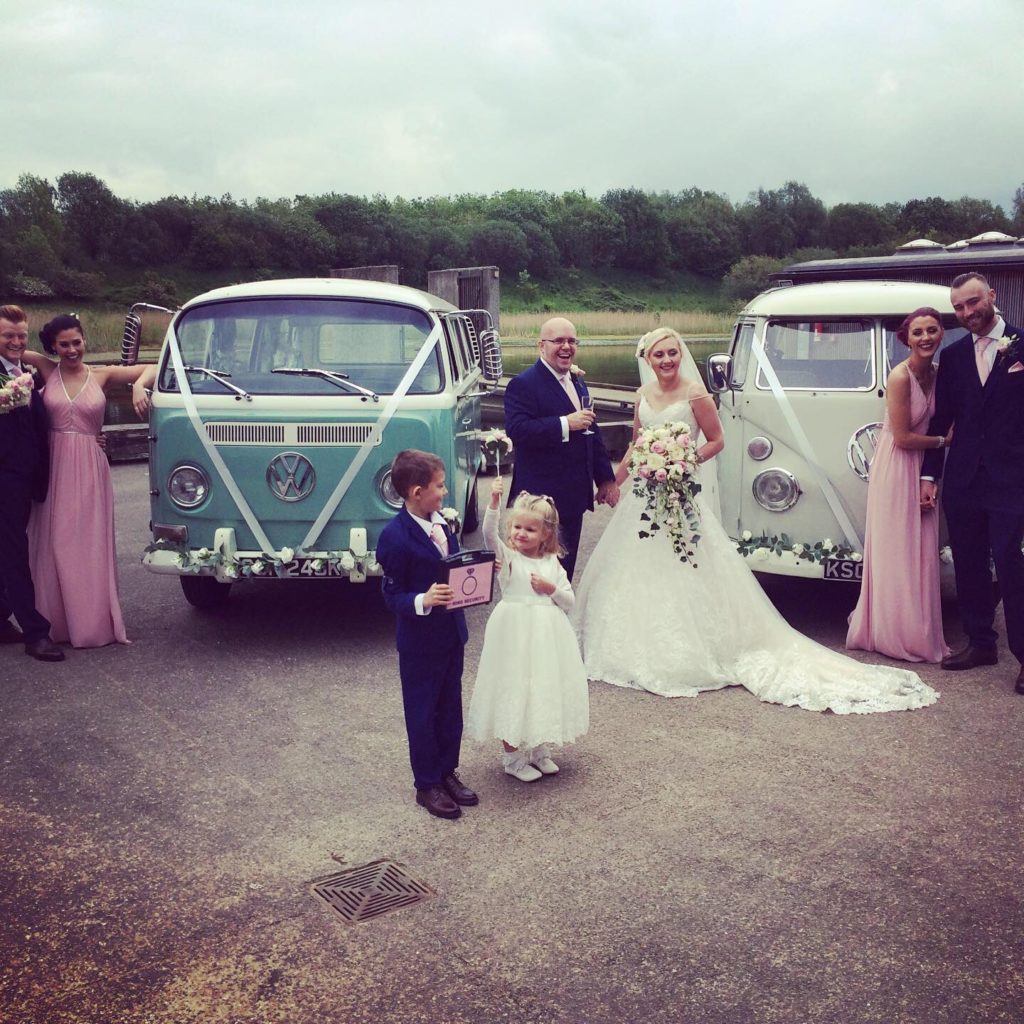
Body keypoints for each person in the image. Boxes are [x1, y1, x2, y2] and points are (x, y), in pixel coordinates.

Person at [573, 328, 939, 714]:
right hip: (647, 496)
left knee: (685, 561)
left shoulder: (696, 394)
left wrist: (683, 462)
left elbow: (716, 440)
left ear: (680, 355)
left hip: (680, 490)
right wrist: (613, 482)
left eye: (672, 353)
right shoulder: (643, 395)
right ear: (648, 360)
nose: (667, 361)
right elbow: (637, 442)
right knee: (636, 564)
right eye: (659, 355)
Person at [21, 315, 153, 648]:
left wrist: (138, 386)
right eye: (63, 344)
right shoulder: (46, 369)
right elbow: (10, 345)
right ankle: (56, 623)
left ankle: (90, 624)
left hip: (91, 466)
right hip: (53, 465)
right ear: (53, 345)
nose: (71, 350)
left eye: (76, 342)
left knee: (87, 543)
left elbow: (153, 365)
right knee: (55, 543)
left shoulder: (102, 374)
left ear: (84, 341)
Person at [921, 273, 1024, 695]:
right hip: (964, 479)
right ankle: (981, 643)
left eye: (972, 303)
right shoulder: (956, 355)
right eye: (959, 307)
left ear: (992, 297)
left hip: (1013, 479)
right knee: (968, 562)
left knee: (1012, 563)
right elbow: (940, 417)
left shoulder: (1021, 344)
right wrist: (931, 474)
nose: (966, 313)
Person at [376, 449, 478, 820]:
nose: (446, 492)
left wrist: (479, 568)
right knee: (422, 713)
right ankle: (426, 784)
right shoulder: (395, 537)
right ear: (417, 491)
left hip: (452, 634)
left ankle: (447, 771)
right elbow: (391, 595)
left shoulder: (443, 523)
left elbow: (453, 565)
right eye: (440, 486)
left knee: (450, 710)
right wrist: (423, 599)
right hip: (419, 643)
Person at [467, 480, 589, 782]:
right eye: (517, 527)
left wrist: (551, 590)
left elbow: (569, 600)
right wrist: (494, 501)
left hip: (547, 637)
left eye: (530, 530)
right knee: (514, 685)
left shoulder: (552, 563)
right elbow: (488, 535)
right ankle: (512, 757)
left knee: (541, 686)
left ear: (546, 533)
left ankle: (538, 749)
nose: (521, 533)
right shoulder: (508, 559)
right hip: (514, 634)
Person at [846, 308, 950, 663]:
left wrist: (931, 469)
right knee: (897, 548)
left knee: (919, 548)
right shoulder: (900, 377)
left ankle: (915, 628)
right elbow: (904, 437)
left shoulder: (936, 373)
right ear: (906, 337)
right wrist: (942, 442)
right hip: (898, 465)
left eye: (932, 330)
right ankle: (890, 631)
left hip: (921, 467)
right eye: (918, 332)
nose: (925, 338)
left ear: (942, 334)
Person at [503, 316, 619, 580]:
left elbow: (592, 433)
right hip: (538, 503)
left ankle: (557, 619)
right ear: (541, 345)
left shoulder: (577, 380)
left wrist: (605, 479)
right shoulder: (523, 384)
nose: (566, 346)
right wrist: (565, 423)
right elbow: (518, 431)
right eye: (558, 341)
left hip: (573, 498)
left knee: (562, 574)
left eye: (571, 341)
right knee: (535, 574)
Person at [0, 305, 64, 662]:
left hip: (24, 479)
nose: (16, 341)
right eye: (8, 335)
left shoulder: (27, 371)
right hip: (3, 478)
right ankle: (35, 633)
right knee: (13, 553)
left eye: (21, 335)